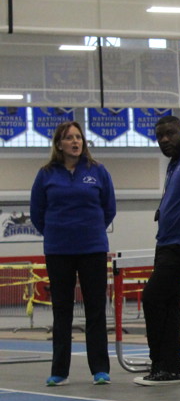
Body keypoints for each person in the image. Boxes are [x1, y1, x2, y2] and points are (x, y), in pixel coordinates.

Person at [29, 121, 116, 386]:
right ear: (59, 144)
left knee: (95, 309)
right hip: (58, 250)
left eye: (78, 137)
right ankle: (59, 371)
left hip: (93, 249)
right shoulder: (45, 174)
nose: (75, 142)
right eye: (69, 138)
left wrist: (90, 230)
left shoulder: (98, 171)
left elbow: (109, 208)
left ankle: (100, 369)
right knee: (62, 310)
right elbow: (37, 213)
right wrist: (57, 233)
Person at [135, 116, 180, 385]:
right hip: (166, 242)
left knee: (152, 298)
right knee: (169, 304)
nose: (164, 140)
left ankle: (161, 365)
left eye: (170, 134)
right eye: (159, 136)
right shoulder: (175, 164)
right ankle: (170, 368)